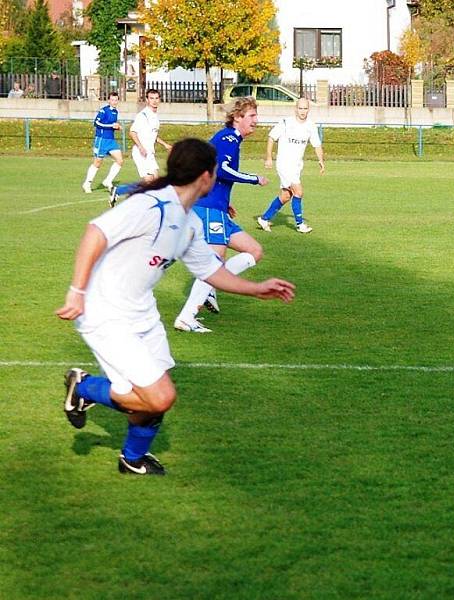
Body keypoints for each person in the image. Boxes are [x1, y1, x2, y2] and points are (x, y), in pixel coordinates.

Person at [56, 138, 296, 475]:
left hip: (141, 310)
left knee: (147, 394)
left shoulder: (189, 222)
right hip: (105, 311)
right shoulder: (152, 206)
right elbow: (96, 232)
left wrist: (256, 289)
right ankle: (83, 388)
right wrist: (76, 291)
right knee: (160, 397)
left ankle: (132, 459)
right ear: (206, 177)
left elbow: (210, 270)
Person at [173, 97, 267, 332]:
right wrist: (253, 179)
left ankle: (211, 289)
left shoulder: (229, 139)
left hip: (217, 208)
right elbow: (222, 170)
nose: (256, 121)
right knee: (214, 264)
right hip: (208, 209)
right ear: (237, 117)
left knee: (254, 251)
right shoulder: (227, 139)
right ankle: (187, 316)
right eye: (252, 116)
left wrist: (226, 202)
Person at [255, 97, 324, 234]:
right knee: (298, 192)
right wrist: (269, 157)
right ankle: (300, 225)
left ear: (308, 109)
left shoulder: (311, 126)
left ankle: (264, 218)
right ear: (295, 109)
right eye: (300, 108)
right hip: (284, 164)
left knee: (286, 196)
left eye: (305, 108)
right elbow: (271, 138)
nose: (303, 111)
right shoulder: (286, 122)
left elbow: (317, 144)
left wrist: (321, 160)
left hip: (297, 166)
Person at [109, 88, 172, 207]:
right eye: (151, 98)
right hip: (140, 152)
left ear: (159, 100)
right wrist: (140, 147)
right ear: (147, 100)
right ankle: (120, 191)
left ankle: (148, 203)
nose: (154, 101)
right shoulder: (143, 115)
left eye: (156, 98)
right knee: (149, 180)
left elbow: (153, 134)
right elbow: (132, 132)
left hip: (150, 153)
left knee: (155, 181)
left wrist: (164, 144)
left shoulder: (154, 116)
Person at [82, 92, 124, 194]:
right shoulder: (103, 110)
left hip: (111, 140)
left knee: (120, 160)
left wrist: (117, 127)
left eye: (116, 100)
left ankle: (107, 181)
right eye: (112, 100)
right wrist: (111, 125)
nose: (114, 102)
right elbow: (96, 123)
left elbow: (112, 125)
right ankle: (87, 184)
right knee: (98, 162)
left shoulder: (115, 112)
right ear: (108, 100)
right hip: (101, 140)